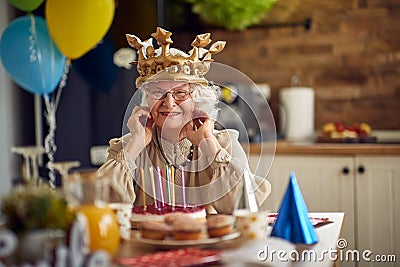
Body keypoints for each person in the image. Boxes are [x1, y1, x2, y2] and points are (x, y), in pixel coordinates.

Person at [98, 27, 271, 214]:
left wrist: (209, 145)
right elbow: (99, 203)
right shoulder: (128, 147)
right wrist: (135, 144)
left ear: (196, 99)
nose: (169, 103)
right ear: (147, 99)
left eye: (180, 92)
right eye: (158, 92)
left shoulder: (223, 143)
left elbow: (243, 205)